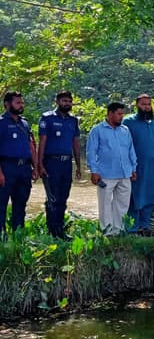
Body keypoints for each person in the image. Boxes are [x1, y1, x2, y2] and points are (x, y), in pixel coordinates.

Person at [86, 102, 137, 236]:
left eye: (122, 114)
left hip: (125, 173)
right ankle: (107, 231)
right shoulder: (97, 130)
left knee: (122, 203)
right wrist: (94, 171)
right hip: (105, 174)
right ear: (110, 114)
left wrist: (133, 167)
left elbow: (131, 150)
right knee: (105, 204)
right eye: (119, 114)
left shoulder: (125, 130)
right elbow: (91, 152)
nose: (121, 117)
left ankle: (118, 230)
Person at [37, 91, 81, 239]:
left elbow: (76, 144)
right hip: (51, 162)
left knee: (63, 197)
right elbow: (42, 142)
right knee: (53, 197)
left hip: (67, 163)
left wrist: (79, 166)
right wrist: (40, 164)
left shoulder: (73, 120)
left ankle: (60, 229)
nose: (67, 104)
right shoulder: (47, 118)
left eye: (69, 101)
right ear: (57, 102)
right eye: (64, 101)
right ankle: (52, 231)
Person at [123, 94, 154, 235]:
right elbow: (123, 146)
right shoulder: (128, 122)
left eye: (149, 104)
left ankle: (145, 226)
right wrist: (128, 166)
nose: (147, 107)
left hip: (153, 166)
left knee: (151, 196)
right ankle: (133, 228)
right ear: (137, 105)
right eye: (143, 104)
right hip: (136, 166)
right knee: (135, 196)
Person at [0, 91, 38, 239]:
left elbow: (31, 146)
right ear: (7, 104)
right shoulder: (1, 122)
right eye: (18, 103)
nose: (21, 105)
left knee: (21, 204)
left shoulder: (25, 123)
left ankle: (18, 237)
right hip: (7, 167)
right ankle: (2, 237)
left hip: (24, 169)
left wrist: (35, 167)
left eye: (22, 102)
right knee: (1, 204)